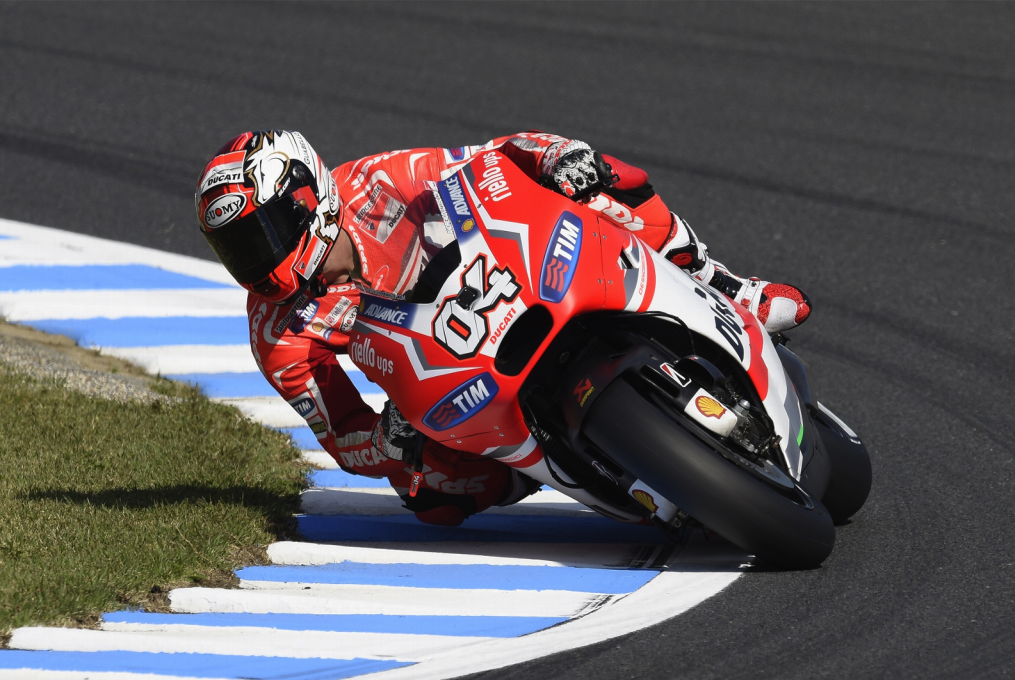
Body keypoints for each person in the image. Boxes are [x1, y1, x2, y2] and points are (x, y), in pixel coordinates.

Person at [195, 130, 812, 527]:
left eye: (262, 236)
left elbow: (490, 162)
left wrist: (554, 158)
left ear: (308, 199)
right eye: (237, 250)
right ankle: (552, 464)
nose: (255, 262)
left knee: (602, 182)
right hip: (455, 376)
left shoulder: (382, 179)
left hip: (518, 279)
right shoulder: (278, 336)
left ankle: (724, 284)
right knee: (430, 496)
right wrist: (387, 439)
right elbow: (343, 437)